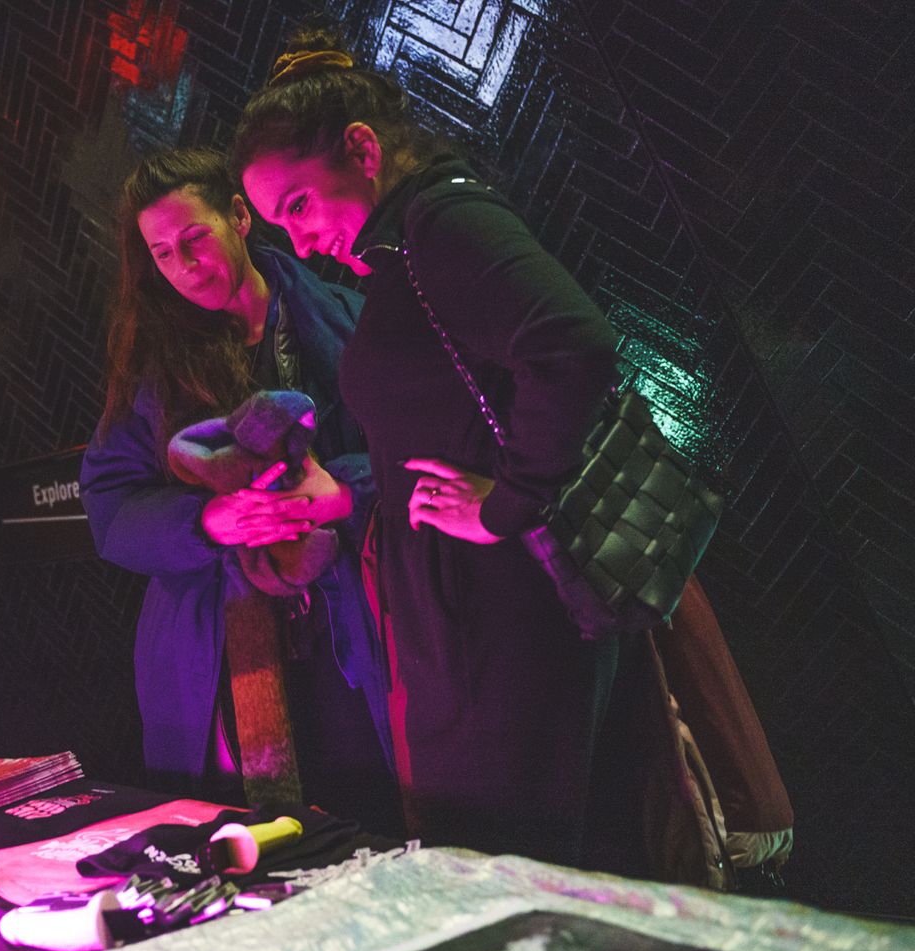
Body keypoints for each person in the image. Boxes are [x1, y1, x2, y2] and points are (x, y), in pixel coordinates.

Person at [231, 30, 623, 865]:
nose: (298, 243)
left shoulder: (444, 219)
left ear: (361, 150)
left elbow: (574, 344)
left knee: (507, 859)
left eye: (298, 206)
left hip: (499, 613)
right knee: (487, 854)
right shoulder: (406, 242)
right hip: (466, 612)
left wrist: (511, 502)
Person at [80, 147, 398, 832]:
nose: (184, 265)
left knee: (376, 817)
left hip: (353, 621)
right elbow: (111, 508)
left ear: (239, 216)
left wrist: (339, 489)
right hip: (218, 641)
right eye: (162, 254)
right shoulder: (151, 366)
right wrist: (207, 522)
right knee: (251, 840)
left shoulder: (343, 317)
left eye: (194, 238)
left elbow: (415, 449)